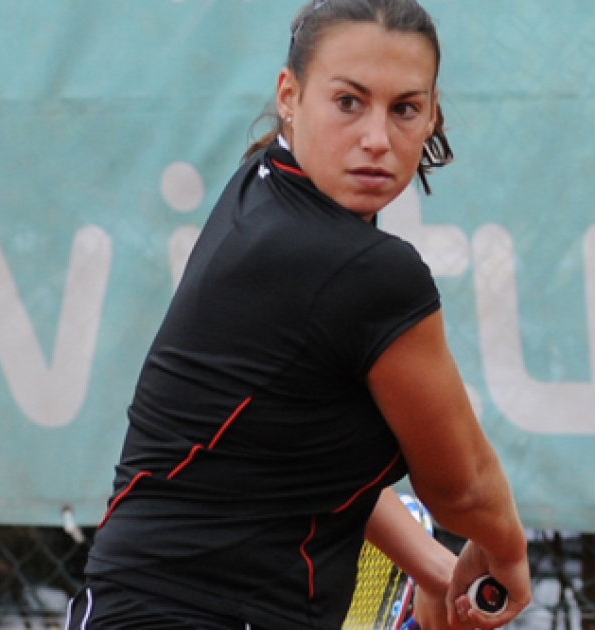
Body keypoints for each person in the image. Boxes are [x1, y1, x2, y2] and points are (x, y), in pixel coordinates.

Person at [66, 1, 531, 628]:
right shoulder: (363, 272)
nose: (376, 137)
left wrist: (435, 570)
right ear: (291, 94)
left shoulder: (259, 188)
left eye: (404, 109)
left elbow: (295, 463)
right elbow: (462, 488)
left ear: (431, 115)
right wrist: (504, 552)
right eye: (348, 102)